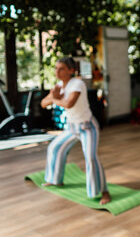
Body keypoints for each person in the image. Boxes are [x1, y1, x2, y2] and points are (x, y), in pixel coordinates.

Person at [40, 57, 111, 205]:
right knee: (55, 148)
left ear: (71, 71)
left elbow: (69, 104)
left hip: (87, 128)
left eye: (61, 69)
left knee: (91, 157)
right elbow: (43, 103)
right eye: (56, 68)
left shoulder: (77, 84)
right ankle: (55, 180)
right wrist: (53, 97)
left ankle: (104, 192)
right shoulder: (59, 85)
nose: (57, 72)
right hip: (71, 128)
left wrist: (54, 99)